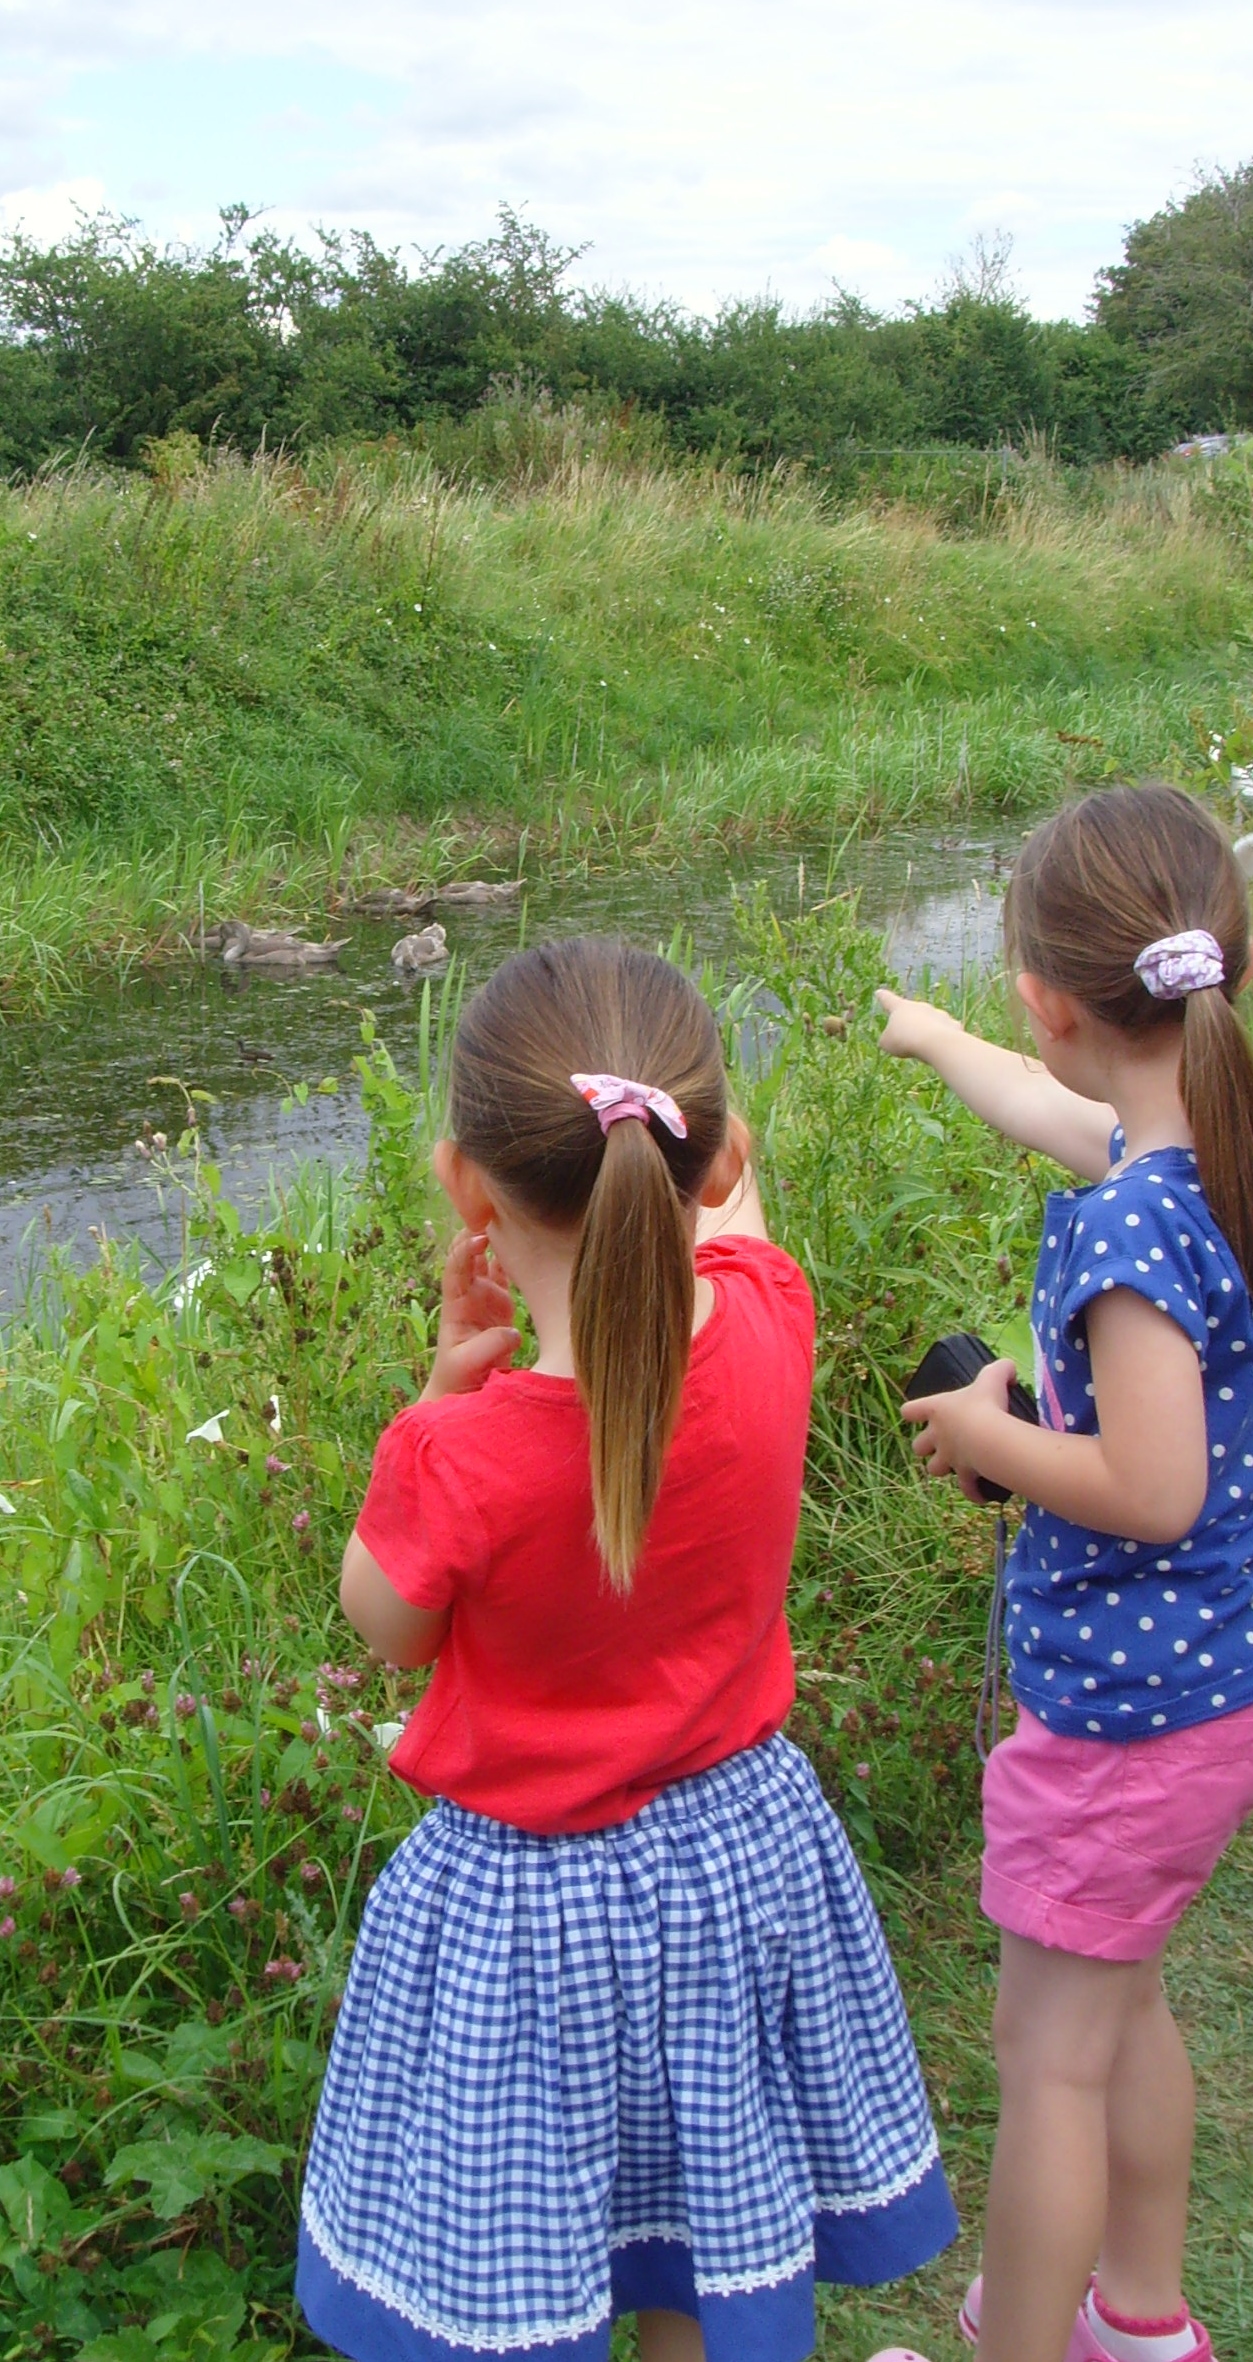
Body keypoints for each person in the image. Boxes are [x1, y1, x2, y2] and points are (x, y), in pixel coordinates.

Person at [296, 935, 957, 2362]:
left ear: (464, 1181)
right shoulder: (775, 1320)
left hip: (527, 1923)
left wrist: (432, 1383)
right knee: (695, 2249)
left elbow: (384, 1622)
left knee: (534, 2274)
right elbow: (735, 1210)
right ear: (707, 1155)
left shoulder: (454, 1454)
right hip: (737, 1863)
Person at [866, 784, 1253, 2362]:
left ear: (1046, 991)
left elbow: (1148, 1488)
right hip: (1201, 1700)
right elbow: (1047, 1100)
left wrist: (991, 1431)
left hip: (1114, 1721)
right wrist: (932, 1039)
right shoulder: (1210, 1144)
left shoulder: (1124, 1235)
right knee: (1121, 2010)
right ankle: (1138, 2323)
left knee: (1046, 2059)